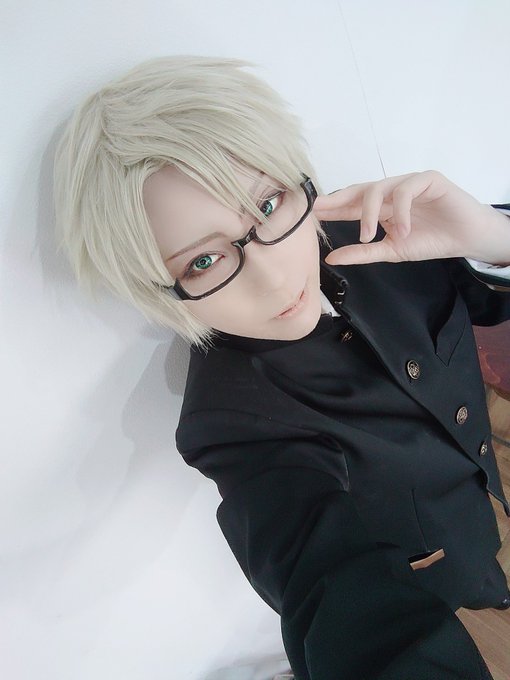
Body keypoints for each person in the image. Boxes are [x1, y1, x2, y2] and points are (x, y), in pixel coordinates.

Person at [53, 55, 510, 680]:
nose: (272, 275)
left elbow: (488, 300)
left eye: (268, 204)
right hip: (432, 575)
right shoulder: (233, 421)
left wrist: (496, 239)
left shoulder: (385, 235)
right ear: (159, 291)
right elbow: (324, 577)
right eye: (203, 262)